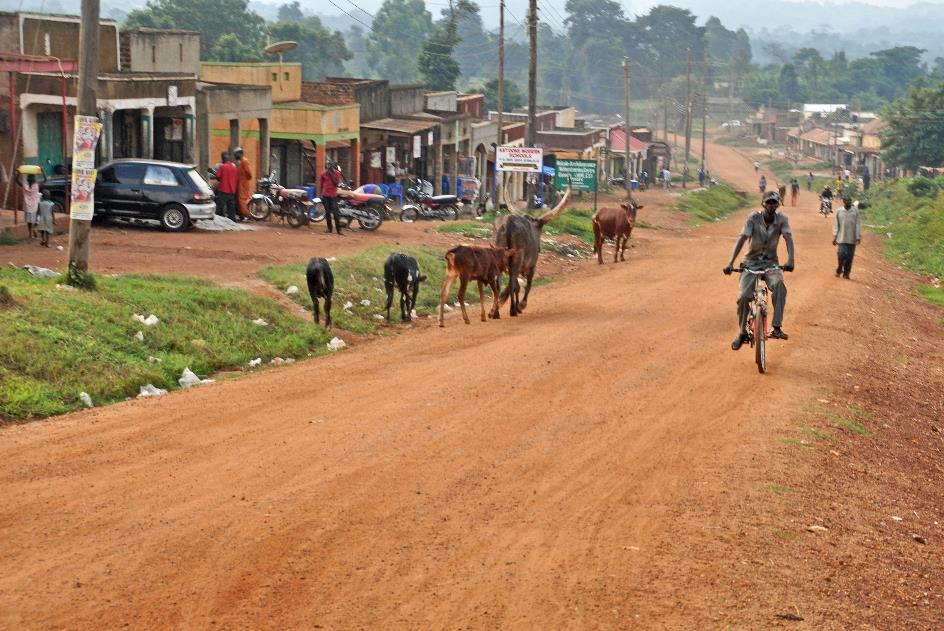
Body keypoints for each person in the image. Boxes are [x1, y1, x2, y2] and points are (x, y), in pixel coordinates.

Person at [723, 191, 795, 350]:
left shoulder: (782, 219)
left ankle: (776, 327)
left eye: (774, 203)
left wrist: (791, 260)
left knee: (779, 286)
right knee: (743, 297)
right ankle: (742, 333)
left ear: (778, 205)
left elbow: (788, 238)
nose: (771, 205)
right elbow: (742, 238)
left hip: (771, 264)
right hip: (750, 263)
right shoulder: (753, 218)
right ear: (763, 203)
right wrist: (730, 262)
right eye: (768, 202)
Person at [833, 196, 862, 279]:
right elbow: (836, 224)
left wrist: (858, 237)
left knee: (849, 257)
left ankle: (846, 273)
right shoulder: (839, 211)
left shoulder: (855, 211)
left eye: (850, 200)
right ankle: (839, 268)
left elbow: (858, 224)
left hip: (852, 238)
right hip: (841, 237)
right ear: (843, 201)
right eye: (847, 200)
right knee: (841, 254)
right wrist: (835, 236)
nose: (848, 202)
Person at [318, 161, 344, 235]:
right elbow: (321, 185)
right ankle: (329, 229)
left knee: (336, 213)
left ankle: (339, 230)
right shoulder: (323, 173)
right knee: (327, 213)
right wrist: (320, 195)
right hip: (325, 195)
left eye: (330, 166)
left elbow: (336, 184)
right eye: (327, 166)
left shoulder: (337, 173)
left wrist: (331, 175)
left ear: (333, 167)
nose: (328, 168)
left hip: (333, 196)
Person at [15, 172, 40, 239]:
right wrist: (43, 172)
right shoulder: (36, 185)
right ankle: (33, 230)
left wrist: (19, 173)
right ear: (34, 179)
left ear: (28, 179)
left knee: (29, 221)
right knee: (35, 219)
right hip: (34, 205)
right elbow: (45, 180)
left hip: (26, 205)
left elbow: (16, 180)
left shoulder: (24, 185)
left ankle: (30, 234)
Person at [215, 152, 239, 221]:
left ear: (223, 159)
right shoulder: (234, 167)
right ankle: (232, 220)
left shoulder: (222, 167)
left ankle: (218, 220)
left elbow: (218, 176)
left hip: (223, 190)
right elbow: (236, 178)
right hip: (232, 191)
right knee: (231, 208)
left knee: (220, 207)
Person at [234, 147, 253, 222]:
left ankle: (247, 216)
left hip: (243, 184)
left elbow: (249, 173)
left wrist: (244, 180)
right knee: (240, 200)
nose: (235, 156)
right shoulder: (241, 161)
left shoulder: (244, 161)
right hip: (241, 183)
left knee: (242, 200)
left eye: (236, 154)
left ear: (240, 153)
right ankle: (242, 215)